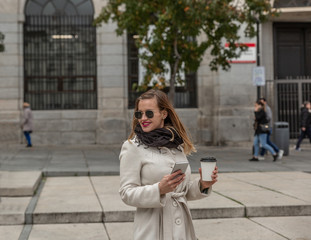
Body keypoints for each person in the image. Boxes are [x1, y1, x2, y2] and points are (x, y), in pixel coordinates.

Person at [119, 89, 218, 240]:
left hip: (182, 229)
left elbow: (181, 192)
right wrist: (158, 189)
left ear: (164, 114)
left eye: (149, 113)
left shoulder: (175, 144)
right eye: (139, 114)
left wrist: (202, 185)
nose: (143, 118)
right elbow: (126, 193)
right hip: (153, 230)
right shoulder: (132, 147)